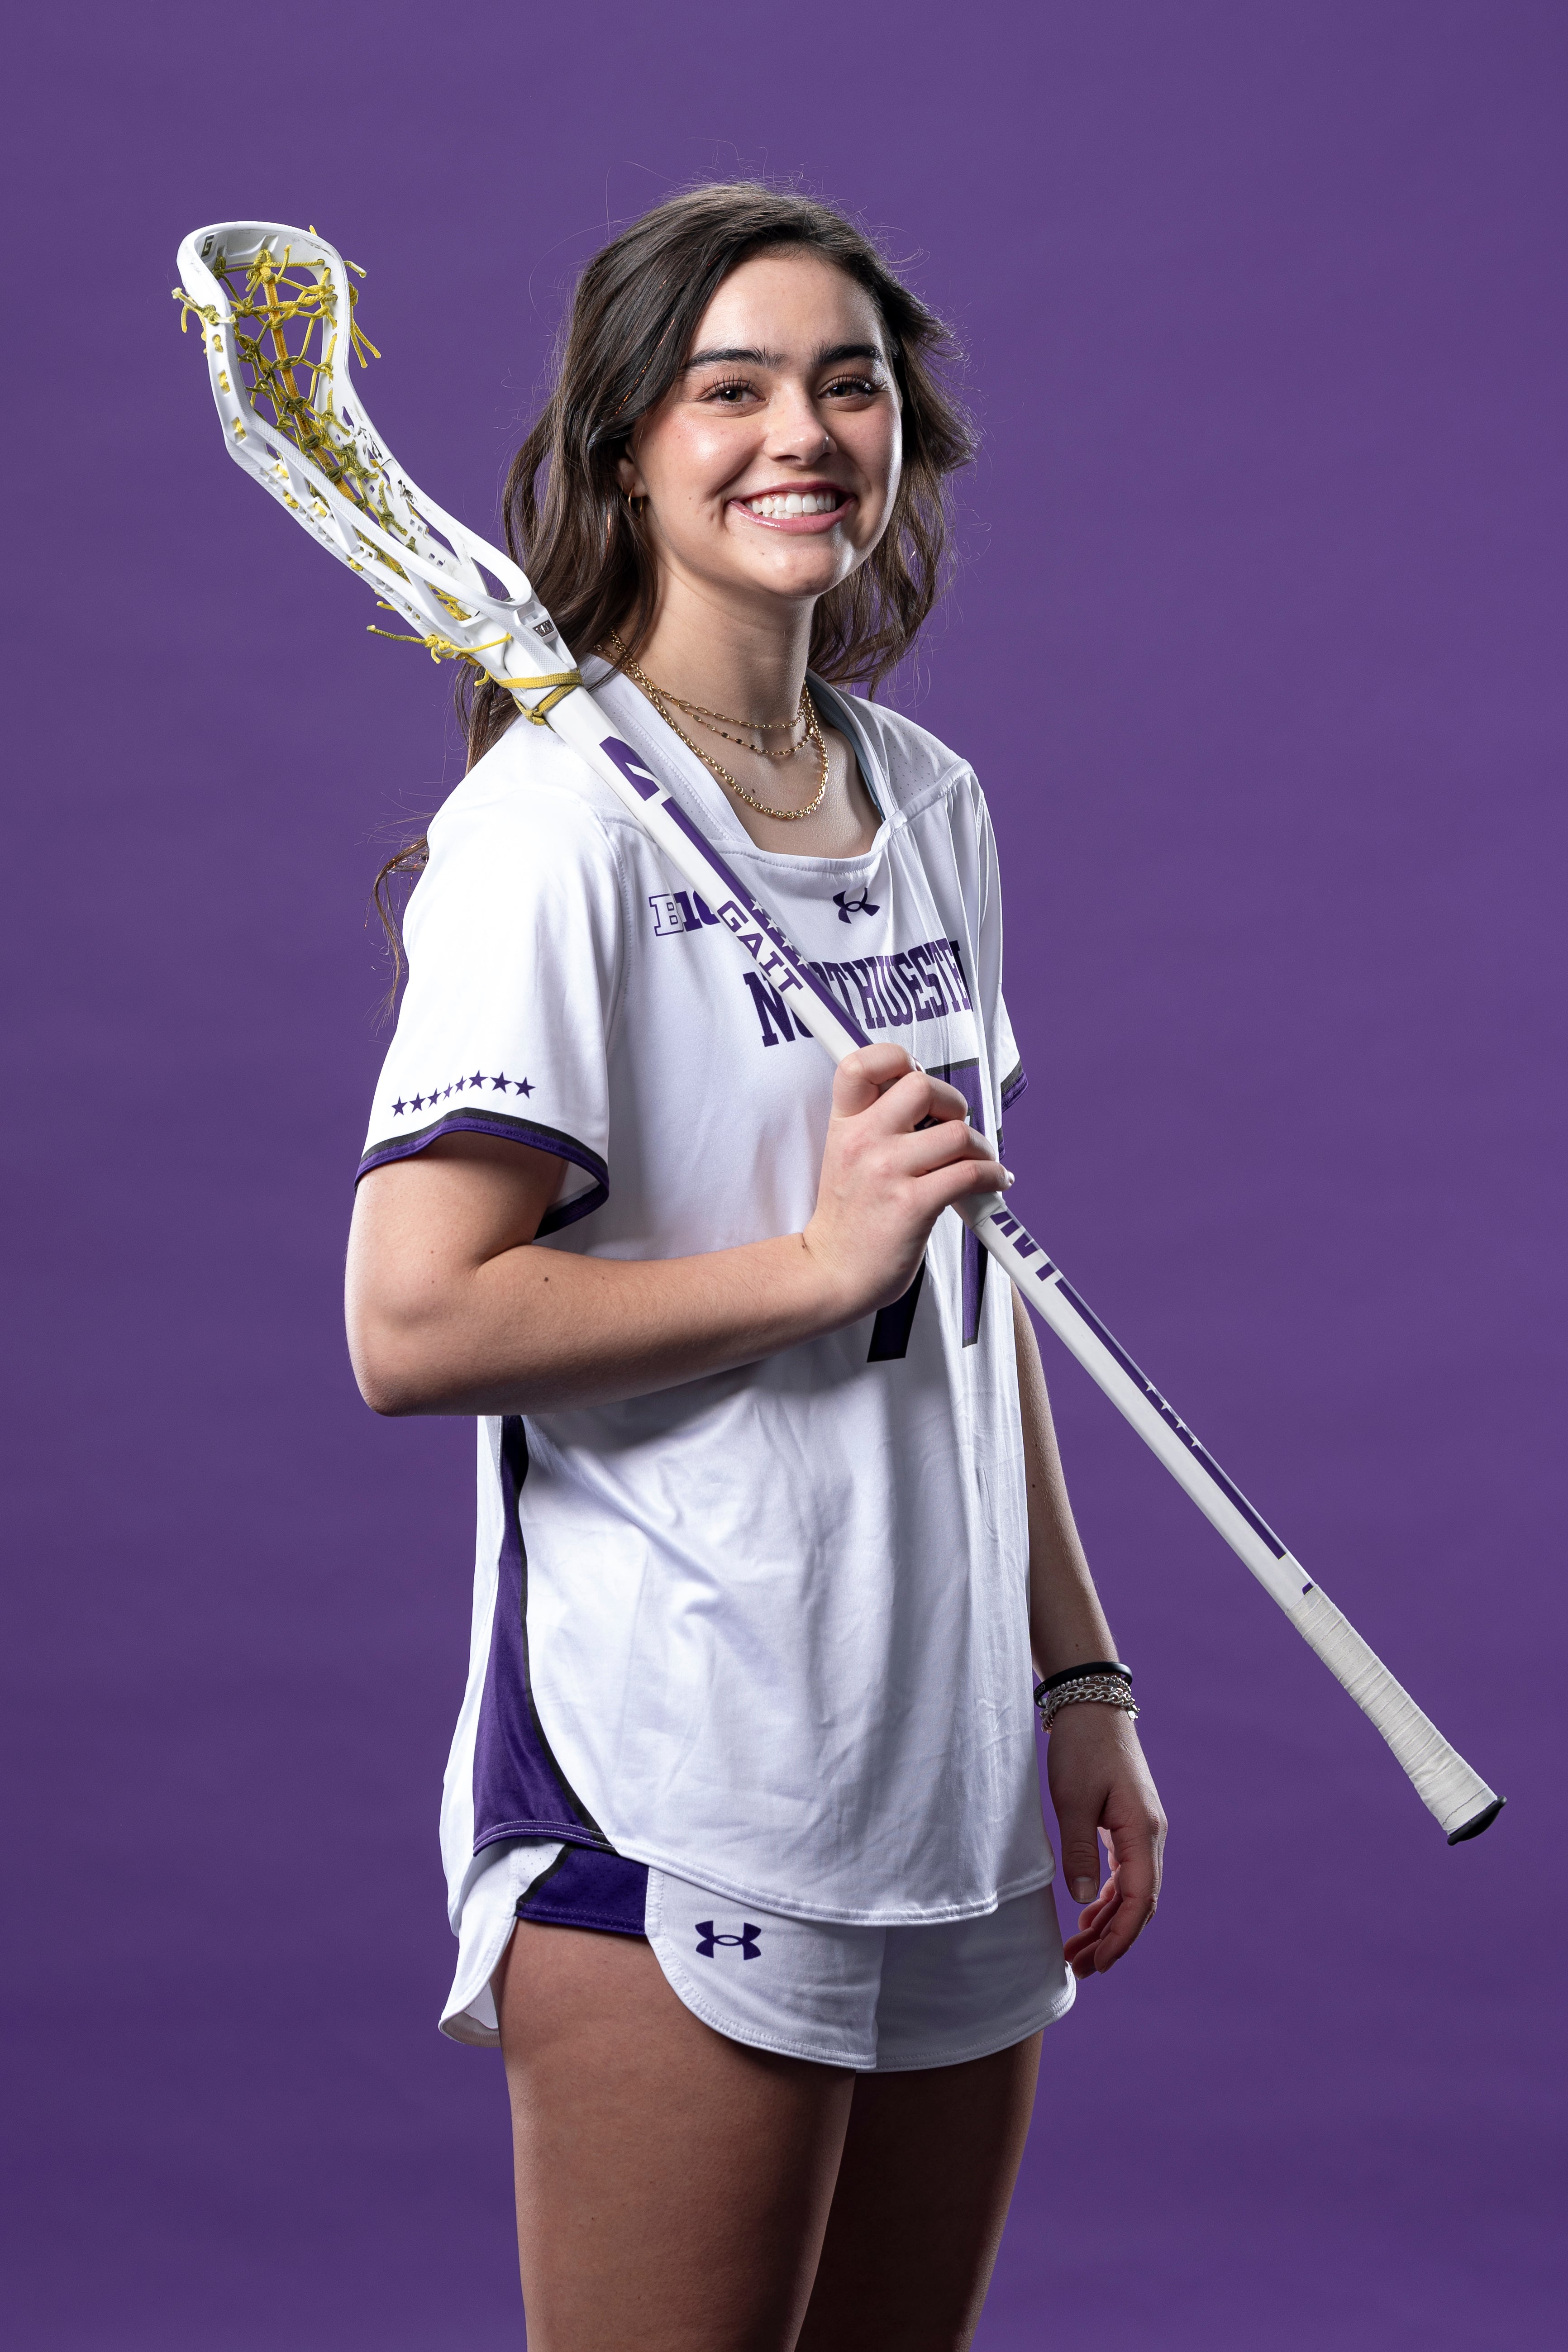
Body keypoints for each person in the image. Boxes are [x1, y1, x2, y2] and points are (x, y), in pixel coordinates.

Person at [346, 183, 1166, 2352]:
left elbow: (970, 1289)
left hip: (951, 1781)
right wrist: (813, 1263)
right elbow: (414, 1318)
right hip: (679, 1789)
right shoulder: (556, 829)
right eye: (732, 390)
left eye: (847, 385)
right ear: (630, 447)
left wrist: (1077, 1685)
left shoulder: (929, 800)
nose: (802, 433)